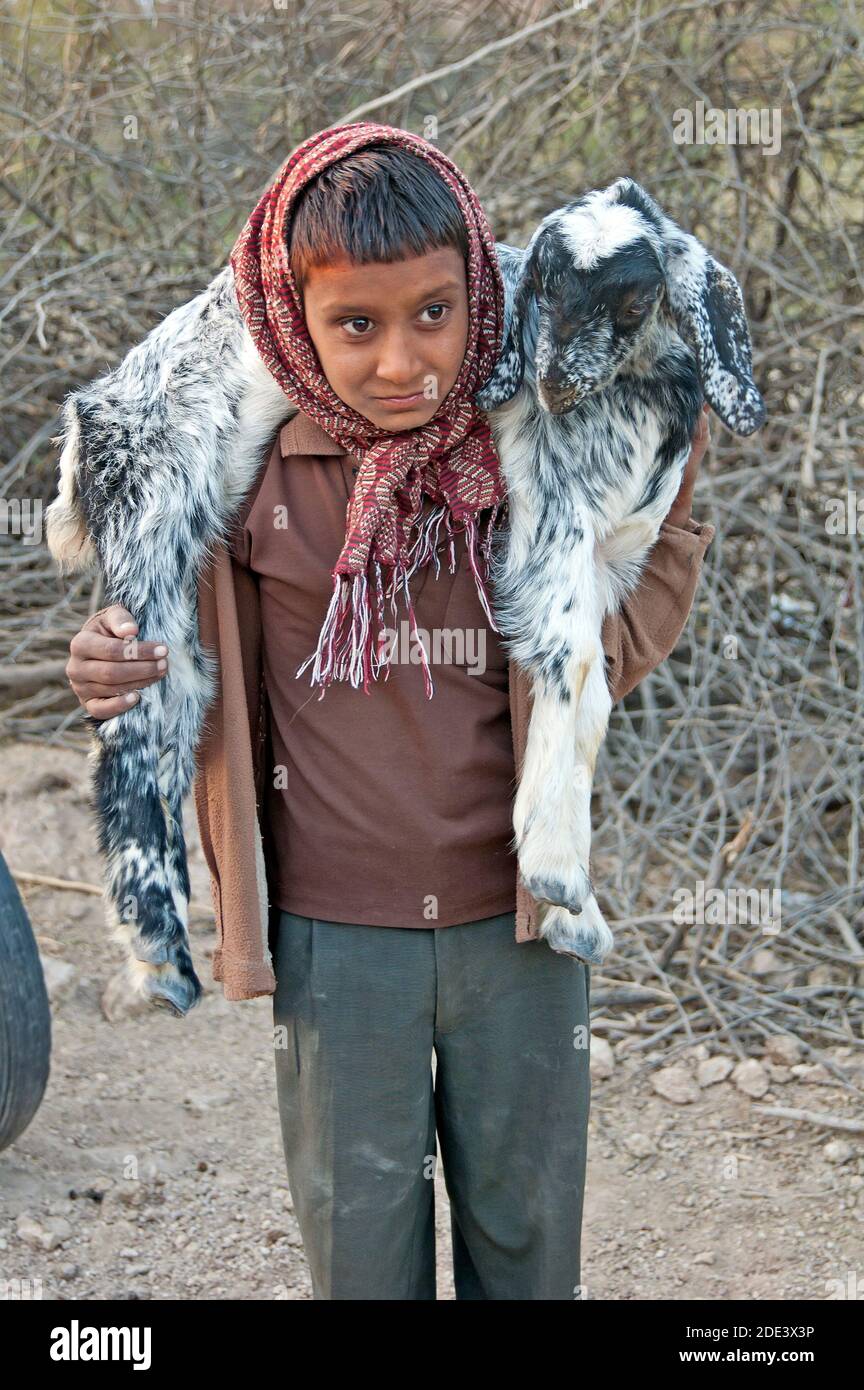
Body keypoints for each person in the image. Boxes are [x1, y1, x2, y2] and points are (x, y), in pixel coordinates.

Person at [64, 126, 713, 1300]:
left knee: (526, 1240)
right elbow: (162, 652)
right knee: (360, 1249)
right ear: (289, 322)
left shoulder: (534, 445)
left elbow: (600, 649)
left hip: (515, 925)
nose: (404, 361)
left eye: (435, 313)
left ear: (483, 290)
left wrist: (671, 491)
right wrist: (113, 664)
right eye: (356, 325)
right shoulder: (240, 473)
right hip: (330, 935)